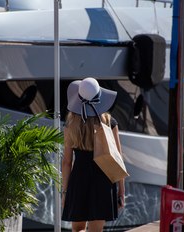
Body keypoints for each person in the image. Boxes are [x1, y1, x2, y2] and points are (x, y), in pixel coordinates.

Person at [61, 77, 125, 232]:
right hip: (103, 180)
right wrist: (121, 191)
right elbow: (118, 158)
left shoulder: (71, 124)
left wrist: (64, 192)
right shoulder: (110, 122)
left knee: (77, 229)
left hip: (79, 180)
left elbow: (67, 162)